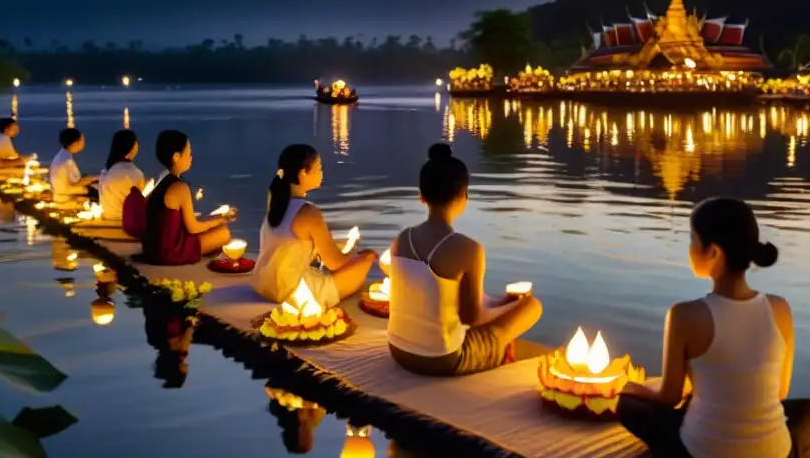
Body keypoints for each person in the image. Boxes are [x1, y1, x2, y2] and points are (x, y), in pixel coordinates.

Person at [617, 197, 810, 458]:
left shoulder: (684, 315)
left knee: (628, 405)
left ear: (713, 252)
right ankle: (786, 452)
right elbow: (779, 393)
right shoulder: (780, 309)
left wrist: (637, 389)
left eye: (693, 240)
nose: (689, 250)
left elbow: (668, 397)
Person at [387, 144, 542, 376]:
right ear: (464, 195)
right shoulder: (469, 249)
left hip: (397, 350)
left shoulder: (401, 239)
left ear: (421, 195)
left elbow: (439, 296)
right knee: (532, 307)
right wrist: (514, 306)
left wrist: (501, 302)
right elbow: (473, 318)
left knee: (502, 306)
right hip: (442, 359)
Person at [251, 144, 376, 308]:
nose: (321, 173)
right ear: (303, 173)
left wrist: (332, 246)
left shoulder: (276, 202)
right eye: (318, 168)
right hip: (292, 293)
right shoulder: (308, 212)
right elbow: (335, 263)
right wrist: (362, 257)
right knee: (364, 262)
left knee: (331, 260)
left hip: (264, 285)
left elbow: (288, 244)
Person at [142, 130, 232, 265]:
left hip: (151, 250)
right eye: (189, 153)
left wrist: (213, 219)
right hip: (169, 252)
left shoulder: (161, 180)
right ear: (176, 157)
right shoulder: (179, 187)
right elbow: (193, 228)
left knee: (210, 225)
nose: (191, 157)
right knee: (223, 232)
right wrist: (221, 219)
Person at [98, 129, 145, 222]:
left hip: (108, 217)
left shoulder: (105, 172)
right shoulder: (135, 173)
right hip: (125, 221)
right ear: (133, 147)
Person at [50, 128, 97, 203]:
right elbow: (72, 185)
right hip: (66, 196)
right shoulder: (66, 161)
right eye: (82, 140)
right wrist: (93, 179)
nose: (83, 143)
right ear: (75, 143)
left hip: (62, 192)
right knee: (97, 191)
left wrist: (91, 179)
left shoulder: (63, 156)